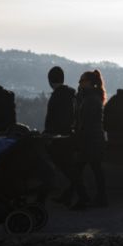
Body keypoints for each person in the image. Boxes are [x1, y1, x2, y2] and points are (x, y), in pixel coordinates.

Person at [66, 70, 107, 210]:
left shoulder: (90, 100)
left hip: (89, 139)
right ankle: (99, 198)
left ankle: (84, 199)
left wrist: (78, 138)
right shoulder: (93, 97)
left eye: (82, 80)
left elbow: (84, 121)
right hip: (94, 139)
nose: (79, 83)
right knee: (95, 170)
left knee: (77, 170)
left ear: (89, 82)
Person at [43, 67, 76, 204]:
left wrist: (49, 133)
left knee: (64, 165)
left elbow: (53, 117)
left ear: (50, 81)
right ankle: (72, 192)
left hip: (58, 137)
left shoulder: (57, 95)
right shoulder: (70, 94)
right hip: (67, 135)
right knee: (68, 166)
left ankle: (78, 192)